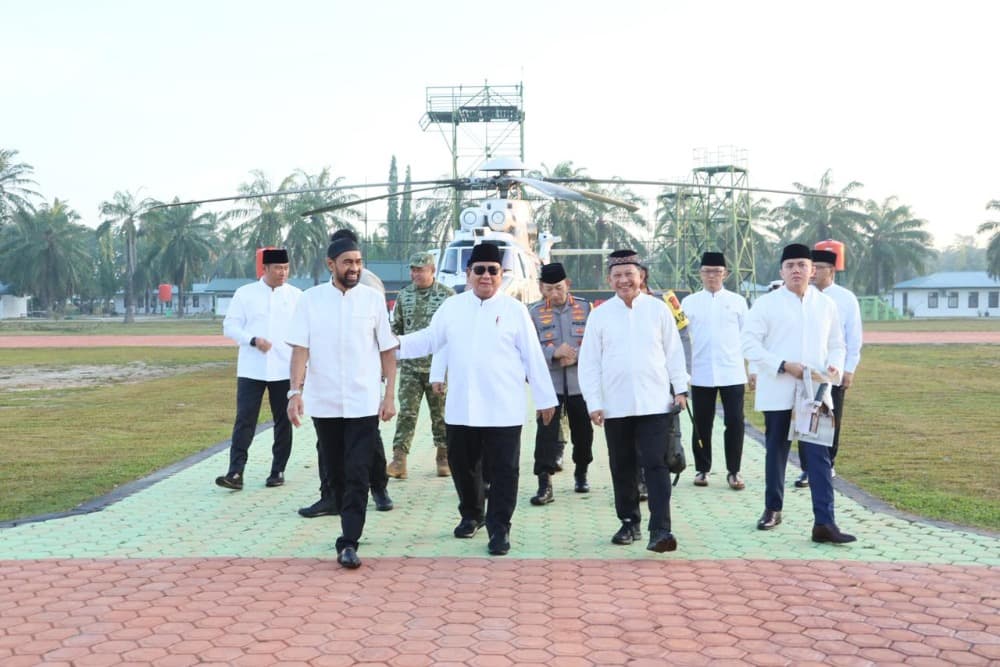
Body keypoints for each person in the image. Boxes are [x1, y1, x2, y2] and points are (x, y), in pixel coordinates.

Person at [394, 242, 557, 557]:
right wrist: (392, 344)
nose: (486, 276)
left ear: (501, 274)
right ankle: (472, 514)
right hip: (462, 407)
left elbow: (533, 357)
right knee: (462, 466)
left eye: (492, 270)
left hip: (503, 409)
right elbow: (430, 339)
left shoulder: (515, 310)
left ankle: (500, 528)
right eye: (479, 270)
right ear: (468, 273)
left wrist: (544, 398)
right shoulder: (452, 307)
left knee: (504, 471)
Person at [286, 234, 398, 569]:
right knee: (335, 471)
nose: (354, 268)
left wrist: (389, 395)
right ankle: (338, 509)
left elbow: (387, 350)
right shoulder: (310, 300)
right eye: (348, 262)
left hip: (364, 402)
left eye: (358, 262)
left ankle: (349, 541)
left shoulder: (373, 300)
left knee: (358, 472)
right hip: (325, 402)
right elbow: (300, 350)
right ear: (330, 264)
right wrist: (294, 393)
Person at [741, 243, 855, 544]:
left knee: (819, 455)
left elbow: (837, 343)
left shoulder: (826, 305)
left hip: (814, 390)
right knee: (776, 449)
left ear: (812, 270)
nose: (796, 270)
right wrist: (782, 365)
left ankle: (824, 522)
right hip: (779, 385)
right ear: (781, 271)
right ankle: (773, 508)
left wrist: (834, 366)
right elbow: (749, 344)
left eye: (802, 265)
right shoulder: (766, 304)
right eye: (790, 265)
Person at [579, 249, 690, 553]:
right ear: (609, 280)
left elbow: (674, 353)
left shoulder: (658, 310)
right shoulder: (600, 315)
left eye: (629, 274)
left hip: (656, 404)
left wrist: (681, 389)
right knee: (623, 466)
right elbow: (589, 363)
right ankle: (629, 522)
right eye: (617, 275)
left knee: (657, 466)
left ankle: (661, 529)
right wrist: (593, 402)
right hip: (615, 406)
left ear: (641, 276)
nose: (624, 280)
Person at [216, 248, 302, 490]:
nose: (282, 273)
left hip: (284, 368)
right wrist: (252, 340)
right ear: (264, 269)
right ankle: (235, 472)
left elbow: (304, 333)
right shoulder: (245, 294)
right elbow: (230, 327)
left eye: (286, 268)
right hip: (251, 369)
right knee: (245, 420)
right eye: (277, 268)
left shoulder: (296, 296)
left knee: (283, 421)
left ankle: (278, 470)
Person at [794, 247, 863, 487]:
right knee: (806, 418)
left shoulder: (845, 298)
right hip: (809, 371)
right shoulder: (803, 295)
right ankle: (806, 469)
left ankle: (828, 464)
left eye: (819, 268)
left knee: (831, 419)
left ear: (831, 270)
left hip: (834, 370)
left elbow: (853, 337)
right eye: (811, 267)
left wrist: (849, 369)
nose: (813, 272)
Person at [681, 251, 749, 490]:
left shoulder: (738, 302)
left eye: (717, 272)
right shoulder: (689, 303)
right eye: (707, 271)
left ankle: (734, 470)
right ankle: (702, 469)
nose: (712, 276)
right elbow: (681, 339)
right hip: (701, 372)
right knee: (702, 423)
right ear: (700, 274)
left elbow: (748, 337)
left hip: (732, 371)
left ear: (725, 274)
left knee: (735, 422)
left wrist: (752, 369)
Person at [527, 262, 594, 505]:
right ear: (541, 288)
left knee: (583, 434)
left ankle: (581, 472)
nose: (554, 294)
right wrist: (553, 353)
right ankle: (544, 484)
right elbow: (529, 348)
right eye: (548, 289)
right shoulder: (534, 313)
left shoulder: (585, 308)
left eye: (558, 288)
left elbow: (597, 343)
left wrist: (577, 355)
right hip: (550, 385)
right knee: (546, 435)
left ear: (568, 284)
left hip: (579, 384)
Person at [387, 251, 454, 479]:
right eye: (413, 270)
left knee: (441, 415)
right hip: (410, 368)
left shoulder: (447, 297)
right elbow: (396, 329)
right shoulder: (404, 295)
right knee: (406, 414)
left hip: (438, 368)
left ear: (432, 271)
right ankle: (399, 459)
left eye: (420, 270)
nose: (415, 274)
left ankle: (443, 457)